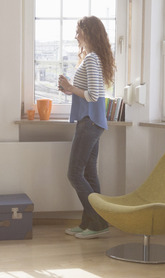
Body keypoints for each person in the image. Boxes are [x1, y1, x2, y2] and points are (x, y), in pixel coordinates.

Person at [57, 16, 116, 239]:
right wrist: (69, 89)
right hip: (91, 121)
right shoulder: (91, 58)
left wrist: (71, 87)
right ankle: (89, 222)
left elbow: (94, 95)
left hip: (89, 121)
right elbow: (88, 92)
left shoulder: (91, 59)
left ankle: (98, 222)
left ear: (88, 33)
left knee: (74, 174)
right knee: (90, 174)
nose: (76, 36)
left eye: (78, 31)